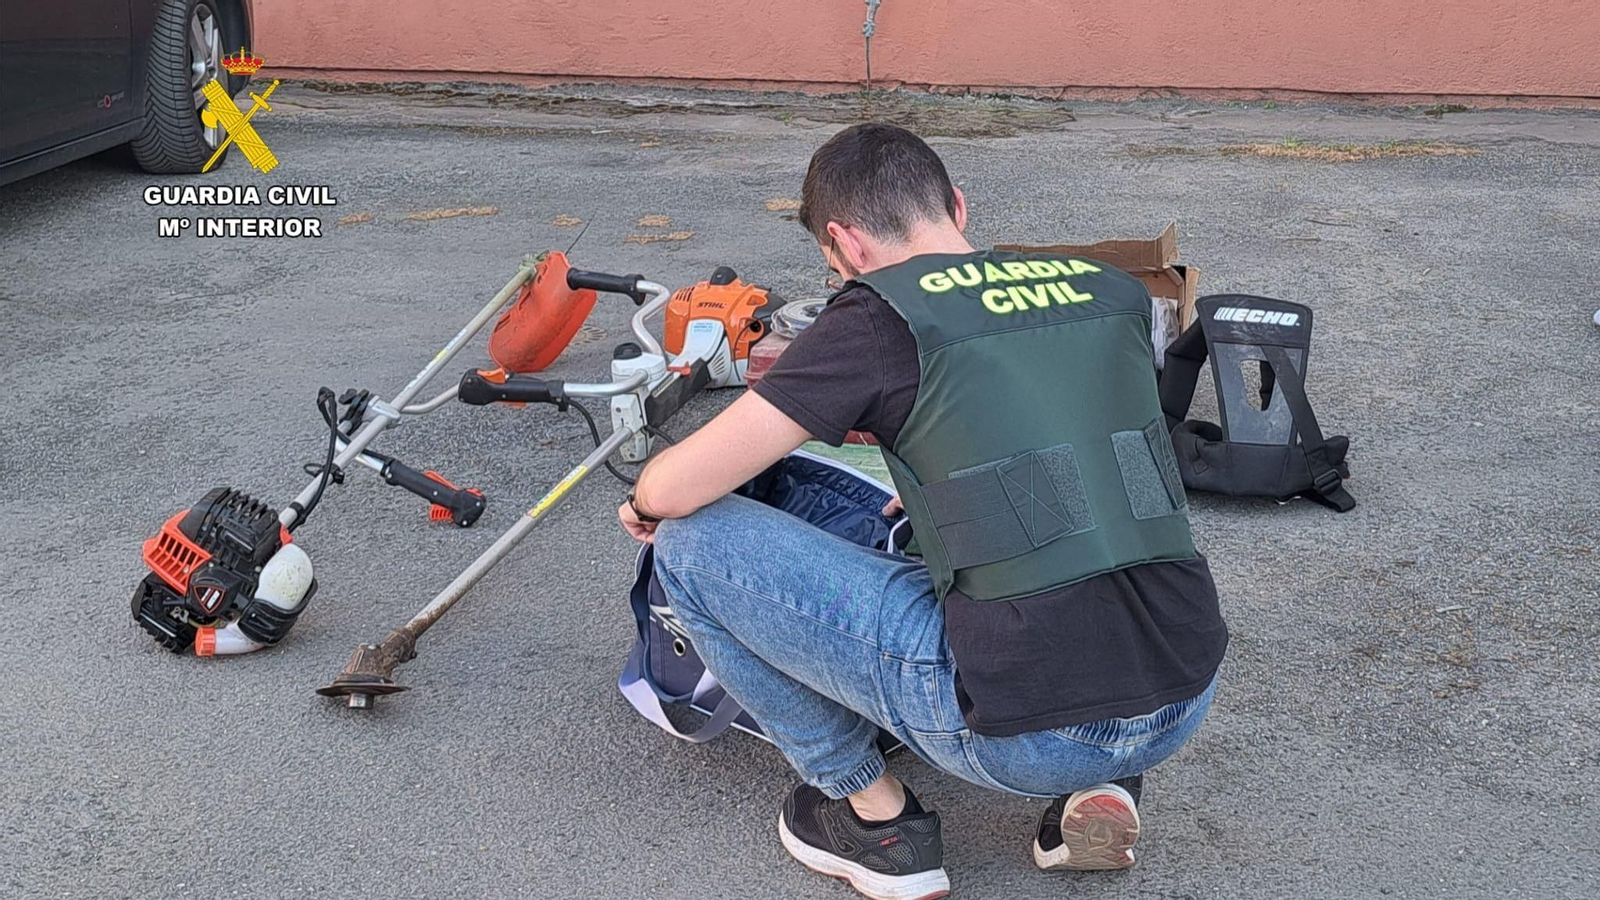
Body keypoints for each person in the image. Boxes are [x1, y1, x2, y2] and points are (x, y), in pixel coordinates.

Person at [619, 123, 1228, 900]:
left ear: (844, 245)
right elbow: (1086, 453)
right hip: (1183, 691)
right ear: (958, 208)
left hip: (1034, 737)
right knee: (1074, 536)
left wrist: (643, 503)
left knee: (691, 545)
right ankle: (1108, 783)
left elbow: (677, 487)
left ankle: (875, 821)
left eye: (832, 265)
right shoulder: (1107, 291)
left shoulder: (878, 317)